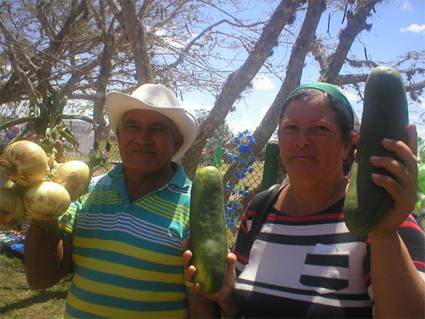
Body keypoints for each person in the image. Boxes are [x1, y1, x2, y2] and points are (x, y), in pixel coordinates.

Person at [184, 83, 425, 318]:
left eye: (320, 129)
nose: (302, 141)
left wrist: (384, 234)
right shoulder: (259, 210)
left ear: (347, 147)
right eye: (290, 128)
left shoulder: (382, 218)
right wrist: (224, 299)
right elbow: (239, 310)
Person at [24, 83, 203, 318]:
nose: (142, 138)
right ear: (119, 135)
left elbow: (203, 306)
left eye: (157, 129)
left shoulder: (195, 208)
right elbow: (40, 279)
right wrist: (42, 206)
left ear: (176, 142)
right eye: (132, 126)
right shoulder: (88, 191)